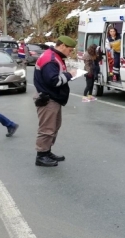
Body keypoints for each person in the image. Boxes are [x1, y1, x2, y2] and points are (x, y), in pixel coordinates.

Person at [33, 35, 77, 167]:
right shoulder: (51, 59)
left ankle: (47, 151)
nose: (70, 53)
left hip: (52, 97)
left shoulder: (53, 56)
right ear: (62, 45)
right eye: (70, 50)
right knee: (47, 128)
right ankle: (41, 156)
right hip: (48, 98)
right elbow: (54, 81)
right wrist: (70, 75)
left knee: (54, 126)